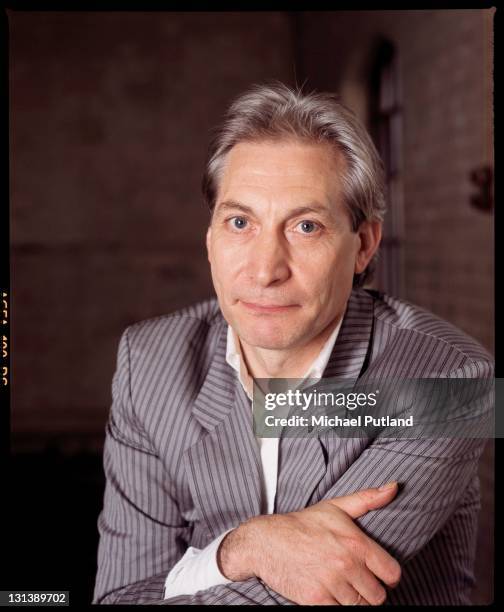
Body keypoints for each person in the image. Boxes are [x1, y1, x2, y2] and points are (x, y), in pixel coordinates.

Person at [92, 82, 493, 605]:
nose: (265, 270)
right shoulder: (149, 362)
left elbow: (313, 595)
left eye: (306, 226)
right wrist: (242, 548)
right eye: (240, 223)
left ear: (363, 246)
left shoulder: (451, 381)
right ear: (210, 238)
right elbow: (119, 596)